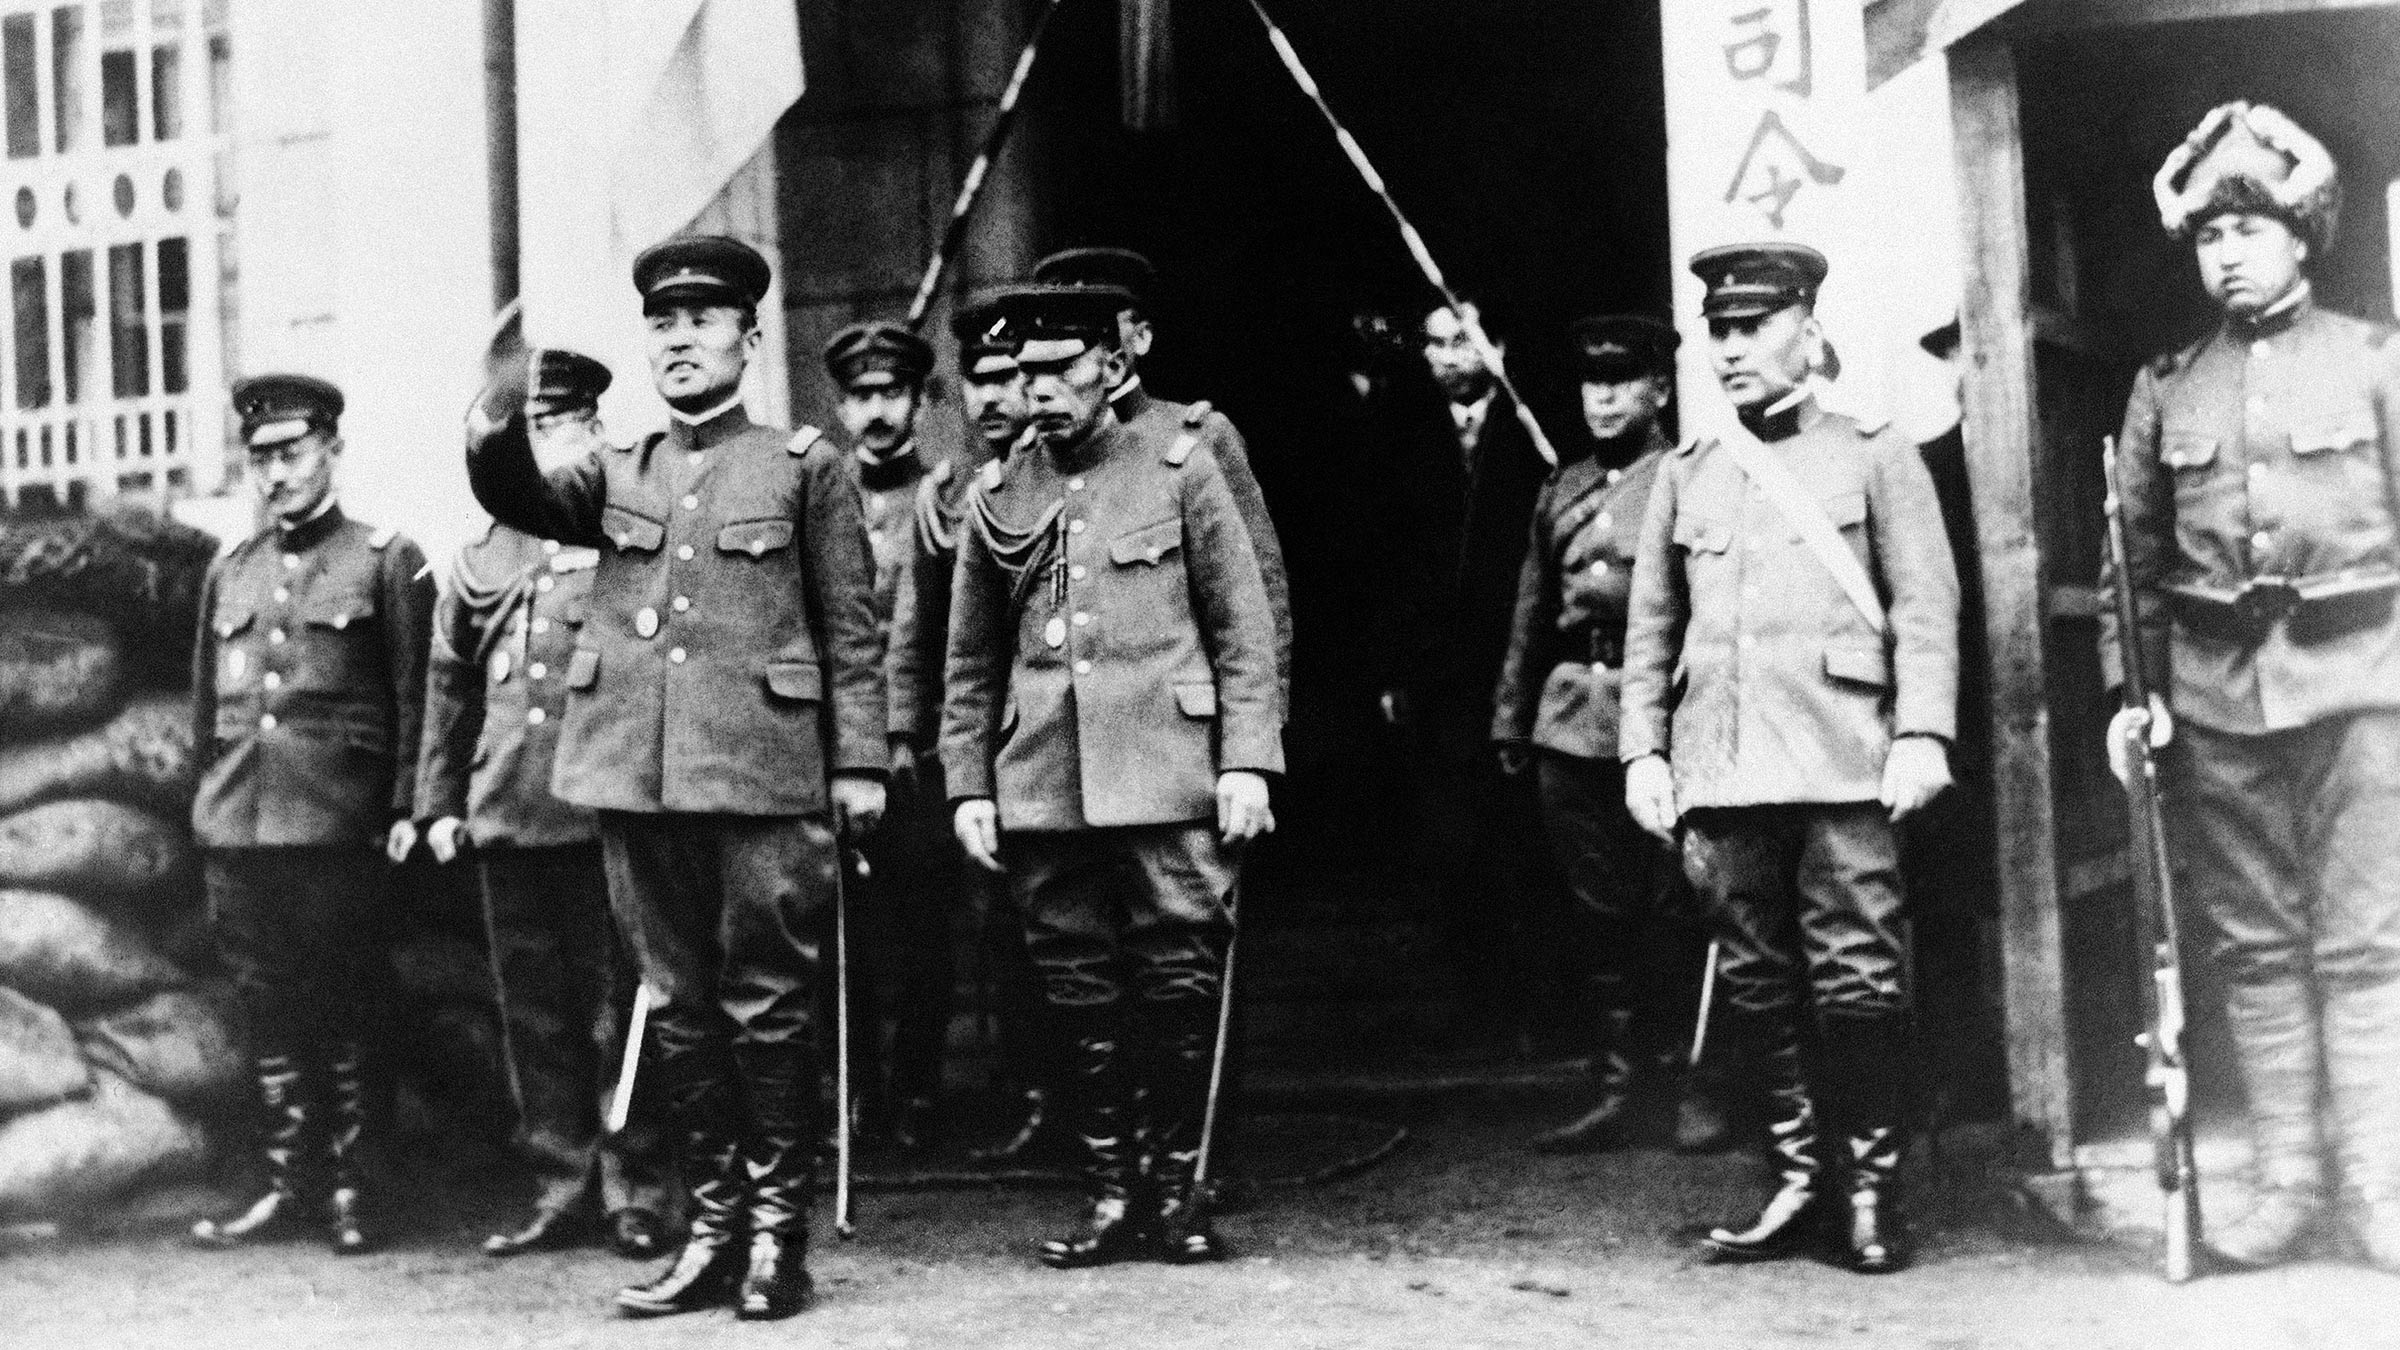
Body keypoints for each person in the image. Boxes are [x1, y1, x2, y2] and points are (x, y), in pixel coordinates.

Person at [466, 235, 887, 1321]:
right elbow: (511, 486)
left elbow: (851, 630)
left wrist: (859, 765)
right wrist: (501, 389)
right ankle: (712, 1232)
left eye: (703, 322)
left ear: (749, 339)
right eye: (663, 323)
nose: (680, 341)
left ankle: (777, 1240)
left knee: (768, 1006)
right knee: (679, 1008)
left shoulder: (803, 465)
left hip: (762, 777)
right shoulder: (616, 471)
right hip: (638, 779)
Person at [1621, 243, 1959, 1274]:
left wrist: (1923, 732)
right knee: (1755, 979)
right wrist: (1644, 752)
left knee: (1858, 974)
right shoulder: (1688, 472)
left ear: (1808, 332)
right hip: (1724, 765)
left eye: (1753, 327)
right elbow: (1652, 628)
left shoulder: (1874, 453)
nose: (1731, 349)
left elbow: (1926, 605)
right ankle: (1799, 1180)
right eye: (1718, 332)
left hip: (1847, 759)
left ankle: (1871, 1189)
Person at [2103, 101, 2400, 1273]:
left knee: (2370, 944)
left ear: (2302, 235)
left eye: (2252, 229)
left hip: (2366, 690)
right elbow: (2131, 562)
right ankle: (2288, 1190)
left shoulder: (2375, 360)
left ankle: (2379, 1189)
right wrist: (2133, 690)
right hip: (2219, 700)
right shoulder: (2166, 386)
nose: (2227, 253)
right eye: (2210, 235)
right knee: (2257, 949)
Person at [941, 284, 1280, 1267]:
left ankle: (1176, 1192)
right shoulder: (998, 496)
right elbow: (970, 661)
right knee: (1076, 988)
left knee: (1178, 980)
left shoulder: (1181, 469)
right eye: (1025, 373)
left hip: (1170, 775)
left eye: (1061, 369)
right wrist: (969, 785)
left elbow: (1243, 631)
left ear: (1113, 366)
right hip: (1044, 782)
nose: (1039, 391)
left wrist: (1246, 763)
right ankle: (1108, 1192)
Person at [416, 348, 675, 1260]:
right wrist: (438, 802)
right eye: (528, 432)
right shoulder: (480, 557)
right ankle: (561, 1185)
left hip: (599, 811)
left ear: (594, 433)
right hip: (507, 808)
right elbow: (450, 686)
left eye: (558, 428)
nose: (540, 449)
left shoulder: (620, 536)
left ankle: (638, 1188)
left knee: (620, 1012)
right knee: (532, 1014)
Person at [188, 373, 434, 1255]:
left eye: (293, 454)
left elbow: (416, 697)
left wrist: (405, 807)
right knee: (268, 1010)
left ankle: (360, 1186)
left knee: (351, 1006)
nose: (277, 474)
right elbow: (205, 712)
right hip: (239, 827)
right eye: (261, 459)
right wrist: (207, 812)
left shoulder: (385, 560)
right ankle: (290, 1183)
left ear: (333, 449)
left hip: (337, 828)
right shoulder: (232, 571)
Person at [1493, 314, 1731, 1155]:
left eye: (1621, 382)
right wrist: (1512, 716)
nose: (1602, 399)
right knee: (1600, 915)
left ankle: (1701, 1082)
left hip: (1663, 717)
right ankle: (1623, 1089)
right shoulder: (1563, 487)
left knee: (1683, 905)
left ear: (1659, 389)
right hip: (1571, 723)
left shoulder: (1691, 475)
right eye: (1592, 383)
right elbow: (1531, 611)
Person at [887, 295, 1058, 1161]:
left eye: (1009, 378)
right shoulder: (947, 495)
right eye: (978, 381)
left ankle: (1067, 1100)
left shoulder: (1068, 476)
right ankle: (1016, 1092)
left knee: (1051, 928)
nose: (993, 398)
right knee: (976, 924)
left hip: (1054, 737)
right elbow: (921, 633)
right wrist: (901, 735)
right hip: (974, 747)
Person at [1382, 298, 1551, 1045]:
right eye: (1435, 344)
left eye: (1463, 340)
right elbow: (1380, 552)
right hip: (1439, 676)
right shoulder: (1403, 435)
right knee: (1454, 840)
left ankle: (1545, 1007)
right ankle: (1477, 1005)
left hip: (1523, 667)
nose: (1448, 357)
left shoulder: (1534, 433)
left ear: (1498, 346)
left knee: (1528, 835)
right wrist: (1392, 668)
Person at [1028, 246, 1291, 702]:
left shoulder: (1200, 438)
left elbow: (1257, 595)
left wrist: (1265, 718)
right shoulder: (1036, 456)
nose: (1087, 338)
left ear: (1142, 338)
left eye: (1103, 323)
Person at [824, 318, 953, 1153]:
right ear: (841, 407)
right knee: (840, 931)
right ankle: (856, 1094)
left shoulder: (944, 499)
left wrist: (909, 731)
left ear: (918, 403)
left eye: (892, 394)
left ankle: (917, 1092)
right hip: (834, 751)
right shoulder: (818, 496)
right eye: (861, 396)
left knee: (924, 930)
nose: (877, 411)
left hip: (922, 754)